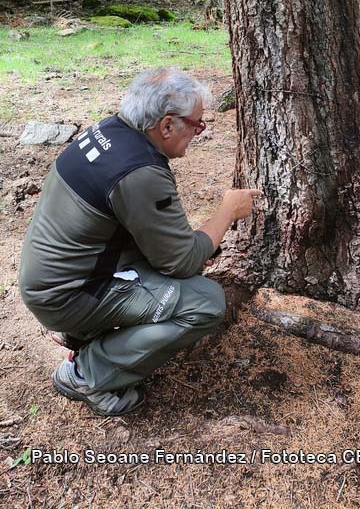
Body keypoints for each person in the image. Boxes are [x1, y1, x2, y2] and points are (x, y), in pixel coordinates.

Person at [19, 67, 261, 417]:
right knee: (205, 302)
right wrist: (227, 212)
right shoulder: (139, 172)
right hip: (69, 293)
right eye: (197, 124)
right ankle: (87, 374)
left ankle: (80, 332)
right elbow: (182, 262)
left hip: (53, 276)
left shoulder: (108, 131)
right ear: (166, 125)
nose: (199, 132)